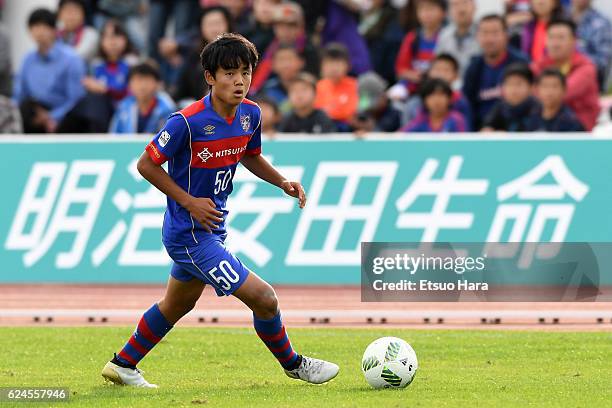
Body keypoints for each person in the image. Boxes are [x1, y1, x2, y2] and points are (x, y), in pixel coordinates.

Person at [101, 33, 339, 387]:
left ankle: (123, 364)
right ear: (210, 77)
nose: (239, 81)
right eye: (229, 73)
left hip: (210, 229)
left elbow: (250, 154)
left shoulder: (251, 115)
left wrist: (282, 182)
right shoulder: (186, 122)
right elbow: (145, 165)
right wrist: (189, 201)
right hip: (189, 235)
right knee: (264, 298)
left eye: (245, 72)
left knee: (176, 304)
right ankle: (295, 364)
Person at [13, 8, 86, 133]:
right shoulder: (27, 60)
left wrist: (52, 116)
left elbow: (76, 98)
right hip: (35, 113)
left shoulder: (71, 59)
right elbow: (20, 94)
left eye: (44, 27)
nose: (39, 32)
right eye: (35, 27)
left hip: (64, 114)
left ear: (54, 30)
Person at [531, 18, 600, 130]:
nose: (555, 43)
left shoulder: (586, 68)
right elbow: (524, 88)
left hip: (579, 133)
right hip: (544, 128)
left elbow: (560, 94)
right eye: (551, 37)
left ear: (574, 40)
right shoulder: (539, 64)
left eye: (561, 38)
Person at [462, 14, 528, 129]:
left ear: (506, 35)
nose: (489, 39)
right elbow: (468, 105)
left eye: (495, 33)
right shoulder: (474, 67)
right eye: (485, 33)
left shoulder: (520, 63)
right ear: (477, 36)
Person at [250, 2, 319, 94]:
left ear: (301, 26)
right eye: (280, 25)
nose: (285, 30)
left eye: (291, 25)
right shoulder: (265, 46)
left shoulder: (309, 50)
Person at [173, 6, 233, 105]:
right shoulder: (194, 56)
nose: (214, 29)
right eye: (209, 24)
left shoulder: (239, 54)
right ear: (201, 28)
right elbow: (181, 89)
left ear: (228, 24)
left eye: (218, 23)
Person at [404, 53, 473, 129]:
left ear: (456, 75)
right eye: (437, 69)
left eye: (446, 70)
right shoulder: (415, 106)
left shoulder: (461, 106)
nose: (441, 74)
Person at [395, 0, 447, 95]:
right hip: (410, 87)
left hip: (436, 89)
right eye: (422, 9)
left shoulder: (447, 37)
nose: (426, 14)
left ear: (444, 13)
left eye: (431, 9)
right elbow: (400, 69)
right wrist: (413, 75)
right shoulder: (412, 37)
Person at [109, 62, 176, 133]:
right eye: (138, 80)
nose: (142, 86)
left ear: (158, 84)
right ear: (129, 85)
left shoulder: (167, 109)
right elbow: (114, 136)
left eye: (147, 80)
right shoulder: (124, 107)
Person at [481, 63, 540, 132]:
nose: (514, 89)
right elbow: (486, 128)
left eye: (519, 84)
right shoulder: (500, 107)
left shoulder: (538, 109)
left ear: (531, 87)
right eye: (509, 84)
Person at [314, 42, 359, 131]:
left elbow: (353, 114)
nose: (334, 68)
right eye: (329, 62)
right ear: (321, 66)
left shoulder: (356, 86)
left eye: (338, 62)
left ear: (348, 65)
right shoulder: (316, 87)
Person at [571, 0, 612, 89]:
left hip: (588, 84)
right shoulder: (561, 17)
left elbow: (603, 62)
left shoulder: (601, 23)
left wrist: (575, 61)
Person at [401, 78, 467, 132]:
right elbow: (400, 137)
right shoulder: (419, 120)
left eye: (441, 95)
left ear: (449, 98)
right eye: (431, 95)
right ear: (424, 100)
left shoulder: (457, 120)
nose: (436, 100)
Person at [435, 0, 480, 77]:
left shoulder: (484, 32)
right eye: (455, 4)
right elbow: (438, 64)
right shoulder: (444, 34)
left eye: (465, 2)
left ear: (475, 6)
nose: (461, 9)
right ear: (449, 11)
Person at [261, 45, 304, 114]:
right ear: (273, 65)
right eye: (281, 60)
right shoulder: (268, 89)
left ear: (301, 62)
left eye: (290, 59)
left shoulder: (309, 85)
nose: (286, 65)